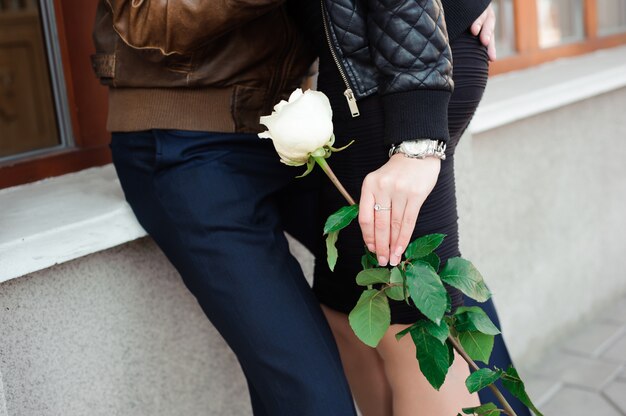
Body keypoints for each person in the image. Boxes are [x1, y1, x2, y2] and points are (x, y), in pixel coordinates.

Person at [90, 2, 358, 415]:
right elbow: (145, 17)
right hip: (185, 137)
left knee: (436, 301)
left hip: (298, 122)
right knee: (312, 398)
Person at [288, 1, 533, 415]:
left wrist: (416, 142)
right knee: (348, 310)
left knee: (413, 329)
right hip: (381, 76)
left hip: (390, 91)